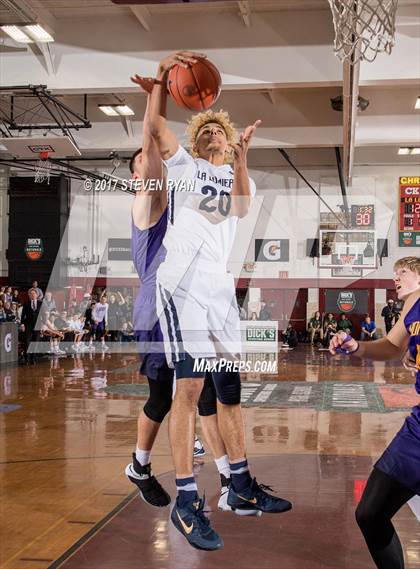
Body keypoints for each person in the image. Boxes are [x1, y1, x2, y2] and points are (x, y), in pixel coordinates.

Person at [146, 50, 291, 550]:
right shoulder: (184, 164)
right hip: (183, 285)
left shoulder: (232, 181)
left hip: (219, 291)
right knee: (187, 391)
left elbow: (246, 205)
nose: (212, 135)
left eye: (220, 132)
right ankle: (188, 498)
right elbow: (158, 125)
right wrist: (163, 78)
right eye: (205, 130)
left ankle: (241, 487)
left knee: (229, 391)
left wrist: (243, 154)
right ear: (196, 140)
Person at [126, 73, 254, 519]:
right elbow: (156, 144)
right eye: (144, 162)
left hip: (192, 297)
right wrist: (158, 94)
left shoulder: (185, 192)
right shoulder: (147, 199)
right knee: (167, 397)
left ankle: (229, 478)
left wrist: (234, 162)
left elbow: (228, 208)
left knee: (202, 394)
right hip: (159, 306)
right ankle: (142, 467)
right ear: (139, 173)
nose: (150, 164)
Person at [330, 256, 420, 569]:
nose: (396, 278)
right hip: (418, 430)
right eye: (394, 273)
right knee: (370, 513)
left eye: (403, 273)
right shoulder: (412, 304)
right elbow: (394, 346)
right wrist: (358, 348)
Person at [20, 289, 43, 363]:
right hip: (28, 325)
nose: (33, 295)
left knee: (35, 341)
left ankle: (33, 358)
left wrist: (43, 324)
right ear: (29, 295)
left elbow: (44, 315)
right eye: (31, 294)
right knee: (27, 341)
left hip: (38, 324)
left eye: (34, 294)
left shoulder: (41, 303)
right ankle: (27, 358)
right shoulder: (26, 303)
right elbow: (23, 315)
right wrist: (22, 324)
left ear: (37, 295)